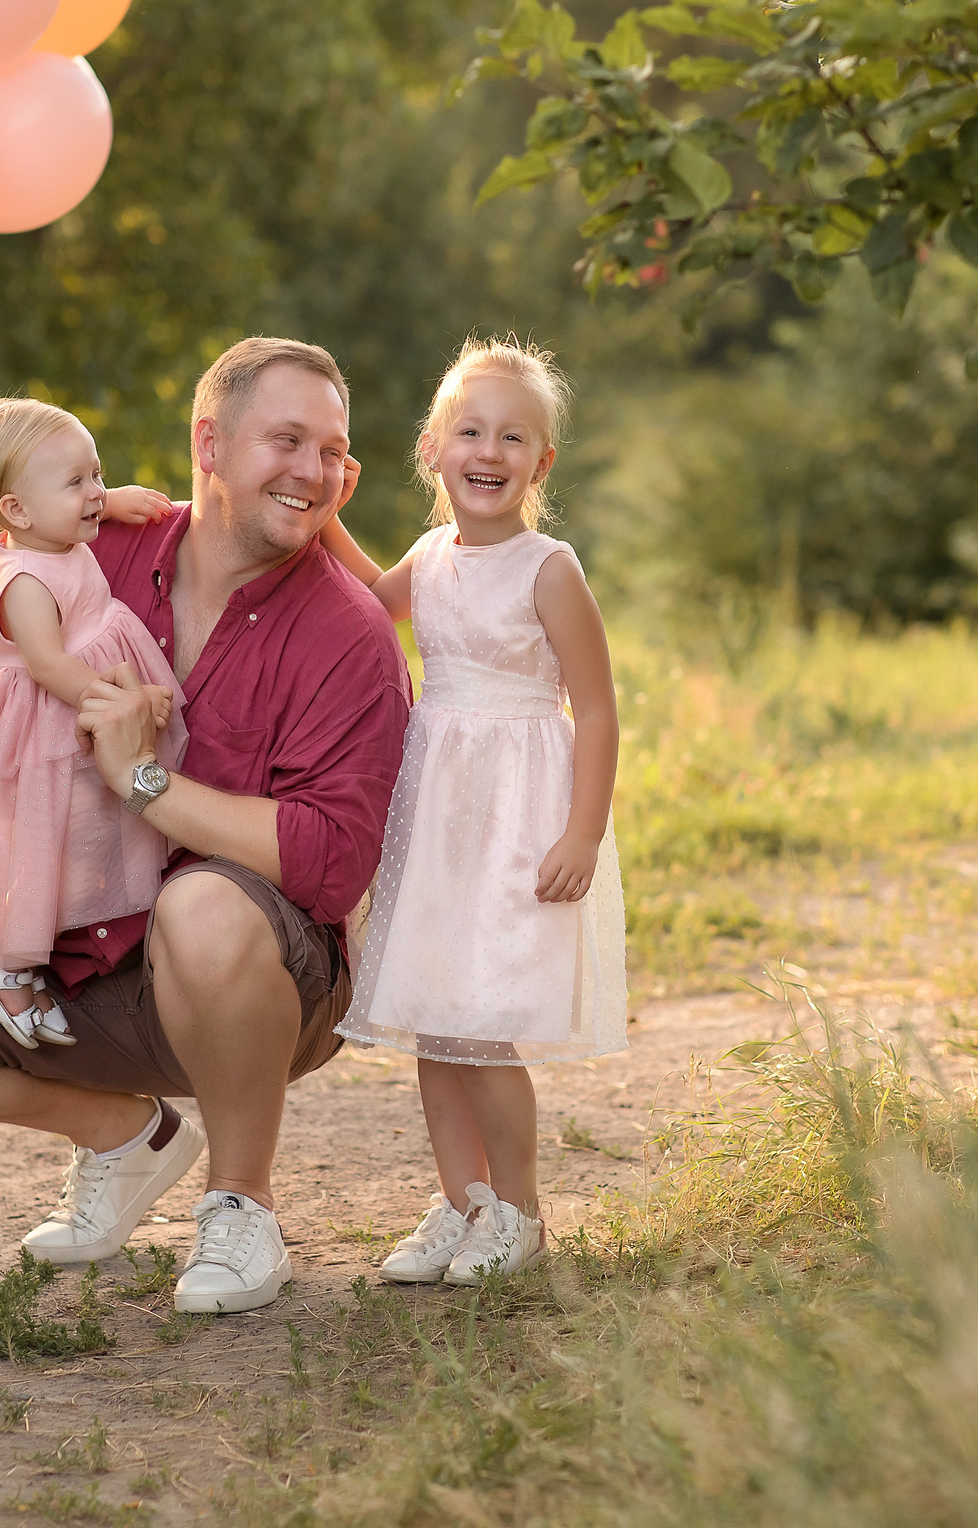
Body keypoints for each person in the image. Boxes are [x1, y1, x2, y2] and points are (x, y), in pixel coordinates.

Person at [0, 337, 411, 1316]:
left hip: (250, 980)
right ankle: (121, 1135)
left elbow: (332, 861)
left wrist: (142, 782)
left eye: (333, 449)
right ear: (208, 442)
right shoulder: (101, 546)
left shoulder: (346, 632)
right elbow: (6, 594)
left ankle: (241, 1205)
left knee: (202, 908)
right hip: (63, 946)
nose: (313, 471)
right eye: (287, 440)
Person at [318, 336, 627, 1286]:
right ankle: (465, 1203)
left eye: (512, 436)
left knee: (485, 1021)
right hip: (438, 812)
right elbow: (374, 605)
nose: (487, 450)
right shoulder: (431, 553)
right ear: (433, 449)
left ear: (541, 461)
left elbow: (598, 705)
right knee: (433, 1017)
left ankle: (522, 1214)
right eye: (469, 431)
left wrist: (581, 830)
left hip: (517, 818)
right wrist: (327, 512)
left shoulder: (549, 567)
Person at [0, 398, 185, 1051]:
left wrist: (115, 501)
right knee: (47, 842)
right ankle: (4, 957)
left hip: (73, 710)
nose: (95, 492)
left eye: (97, 473)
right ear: (17, 512)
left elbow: (79, 503)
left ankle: (55, 949)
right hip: (47, 723)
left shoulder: (49, 531)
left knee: (86, 839)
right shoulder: (26, 581)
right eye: (77, 483)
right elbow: (52, 666)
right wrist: (129, 699)